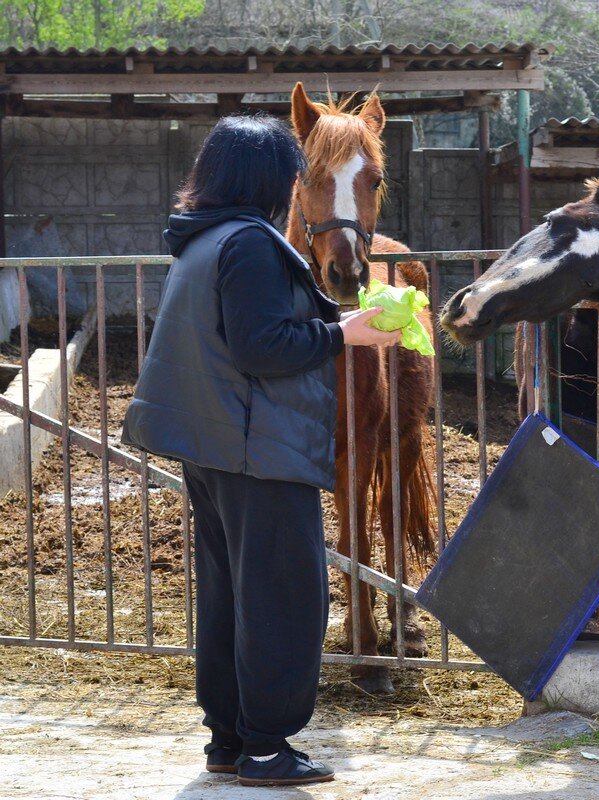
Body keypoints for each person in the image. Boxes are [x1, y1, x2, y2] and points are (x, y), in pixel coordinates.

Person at [122, 115, 397, 787]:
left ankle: (228, 739)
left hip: (215, 443)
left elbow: (251, 326)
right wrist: (346, 337)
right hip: (257, 447)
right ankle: (268, 747)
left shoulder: (203, 239)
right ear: (268, 180)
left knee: (231, 596)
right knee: (283, 597)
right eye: (290, 174)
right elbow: (259, 348)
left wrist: (340, 319)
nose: (295, 185)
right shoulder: (250, 242)